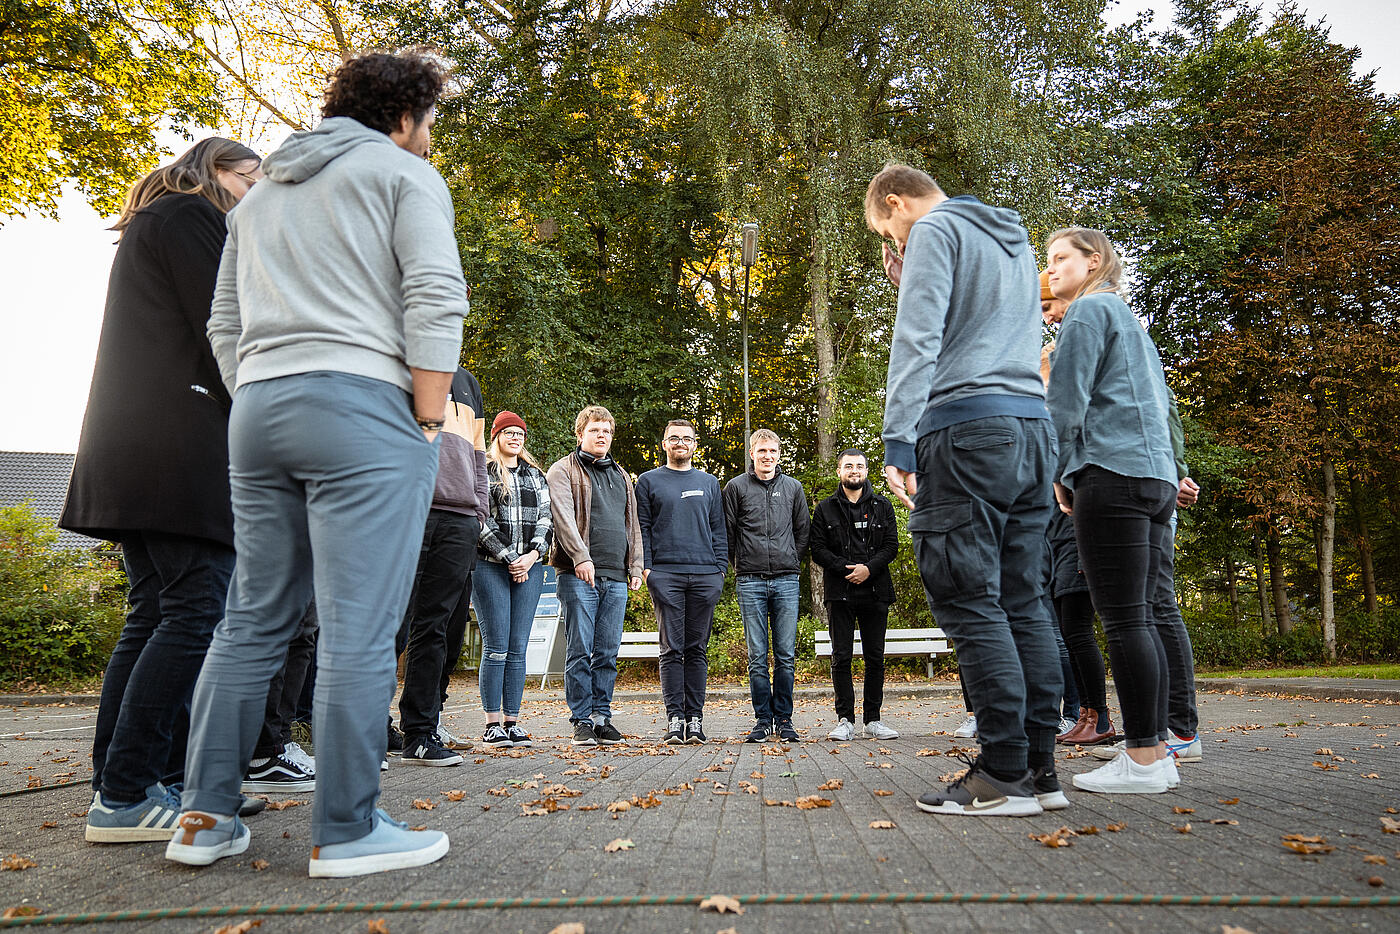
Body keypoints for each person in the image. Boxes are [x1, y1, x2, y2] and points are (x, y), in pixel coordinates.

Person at [166, 52, 468, 876]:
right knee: (359, 628)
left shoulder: (260, 195)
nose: (430, 137)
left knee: (251, 619)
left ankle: (202, 817)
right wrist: (430, 417)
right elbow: (435, 293)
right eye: (430, 121)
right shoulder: (400, 174)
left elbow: (224, 321)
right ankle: (346, 828)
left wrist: (256, 391)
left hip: (259, 411)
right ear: (403, 115)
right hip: (363, 406)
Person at [61, 137, 263, 843]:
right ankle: (124, 794)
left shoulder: (156, 223)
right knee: (192, 610)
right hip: (175, 446)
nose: (256, 198)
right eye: (251, 181)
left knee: (155, 613)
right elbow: (226, 331)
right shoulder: (191, 218)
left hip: (136, 445)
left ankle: (139, 778)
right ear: (216, 170)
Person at [871, 162, 1064, 818]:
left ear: (895, 201)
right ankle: (1040, 770)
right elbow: (990, 331)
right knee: (1025, 601)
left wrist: (899, 438)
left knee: (969, 597)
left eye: (887, 231)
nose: (896, 244)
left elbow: (919, 337)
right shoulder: (1013, 239)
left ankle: (1002, 771)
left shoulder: (934, 229)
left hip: (967, 430)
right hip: (1032, 429)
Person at [1044, 227, 1180, 795]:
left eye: (1058, 259)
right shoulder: (1130, 321)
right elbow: (1161, 402)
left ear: (1093, 261)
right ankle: (1157, 749)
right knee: (1141, 618)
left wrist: (1052, 471)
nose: (1049, 270)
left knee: (1123, 621)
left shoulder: (1087, 312)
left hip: (1112, 474)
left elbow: (1065, 402)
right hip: (1155, 477)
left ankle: (1145, 759)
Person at [396, 365, 489, 768]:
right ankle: (367, 727)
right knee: (390, 624)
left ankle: (420, 732)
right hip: (405, 510)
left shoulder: (469, 383)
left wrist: (479, 512)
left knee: (436, 627)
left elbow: (479, 456)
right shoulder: (396, 362)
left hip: (460, 519)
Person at [547, 405, 644, 747]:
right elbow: (563, 518)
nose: (602, 436)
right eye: (595, 430)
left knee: (606, 651)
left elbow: (632, 525)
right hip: (578, 575)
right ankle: (581, 720)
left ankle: (602, 717)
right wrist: (580, 557)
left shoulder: (621, 475)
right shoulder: (562, 471)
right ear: (580, 434)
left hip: (617, 576)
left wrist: (634, 566)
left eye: (607, 431)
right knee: (580, 649)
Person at [635, 419, 728, 744]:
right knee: (671, 649)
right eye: (673, 438)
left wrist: (720, 571)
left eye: (686, 438)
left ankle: (695, 720)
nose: (680, 443)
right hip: (666, 575)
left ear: (694, 444)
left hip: (706, 576)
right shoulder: (648, 481)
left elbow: (719, 529)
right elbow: (641, 528)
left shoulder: (709, 482)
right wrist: (648, 570)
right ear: (663, 443)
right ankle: (675, 719)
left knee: (696, 649)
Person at [724, 429, 810, 744]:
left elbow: (803, 531)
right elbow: (728, 533)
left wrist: (791, 561)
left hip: (786, 579)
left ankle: (784, 719)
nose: (768, 456)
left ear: (779, 453)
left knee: (785, 653)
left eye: (772, 451)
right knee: (757, 654)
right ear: (752, 453)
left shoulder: (793, 488)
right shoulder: (735, 488)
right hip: (750, 580)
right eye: (762, 451)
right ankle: (763, 719)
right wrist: (740, 566)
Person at [474, 411, 553, 748]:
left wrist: (532, 557)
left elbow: (547, 520)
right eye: (507, 433)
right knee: (496, 648)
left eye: (519, 433)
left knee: (518, 648)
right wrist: (509, 558)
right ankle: (492, 723)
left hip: (530, 568)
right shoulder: (484, 472)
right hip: (490, 566)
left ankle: (512, 721)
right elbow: (480, 519)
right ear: (496, 437)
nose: (515, 438)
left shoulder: (536, 475)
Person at [811, 449, 900, 742]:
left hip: (876, 591)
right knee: (841, 658)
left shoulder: (883, 506)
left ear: (866, 471)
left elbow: (891, 546)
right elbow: (817, 549)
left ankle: (872, 720)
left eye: (859, 466)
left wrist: (868, 569)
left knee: (875, 657)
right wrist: (846, 568)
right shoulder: (825, 509)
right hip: (841, 592)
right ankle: (845, 720)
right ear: (839, 471)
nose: (854, 470)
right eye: (848, 466)